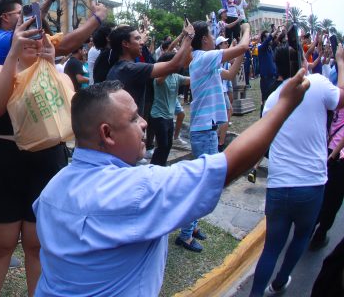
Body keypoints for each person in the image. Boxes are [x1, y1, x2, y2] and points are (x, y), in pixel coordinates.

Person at [33, 71, 310, 297]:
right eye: (133, 118)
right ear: (106, 134)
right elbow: (228, 165)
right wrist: (284, 105)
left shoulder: (50, 191)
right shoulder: (139, 189)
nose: (143, 123)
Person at [0, 15, 72, 297]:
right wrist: (14, 55)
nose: (32, 40)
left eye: (39, 35)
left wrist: (50, 66)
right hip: (3, 162)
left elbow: (68, 113)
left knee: (36, 245)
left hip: (47, 162)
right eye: (25, 33)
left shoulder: (59, 74)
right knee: (1, 245)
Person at [248, 45, 344, 297]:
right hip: (312, 185)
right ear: (302, 60)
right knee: (301, 237)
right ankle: (279, 282)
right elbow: (341, 98)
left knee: (271, 247)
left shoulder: (270, 100)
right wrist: (340, 62)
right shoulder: (318, 84)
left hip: (279, 186)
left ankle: (255, 293)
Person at [178, 21, 248, 252]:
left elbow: (229, 73)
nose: (213, 35)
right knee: (203, 187)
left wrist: (238, 52)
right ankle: (186, 235)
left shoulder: (204, 61)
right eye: (210, 33)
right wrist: (245, 30)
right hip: (203, 133)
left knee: (203, 184)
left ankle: (193, 226)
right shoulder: (204, 58)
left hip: (206, 131)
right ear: (204, 39)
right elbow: (244, 47)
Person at [149, 52, 190, 166]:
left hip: (168, 117)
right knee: (162, 145)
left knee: (168, 145)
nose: (179, 65)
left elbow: (190, 79)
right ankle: (155, 167)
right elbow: (159, 81)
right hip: (158, 116)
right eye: (176, 63)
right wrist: (171, 67)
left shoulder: (176, 77)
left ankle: (160, 166)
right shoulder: (159, 76)